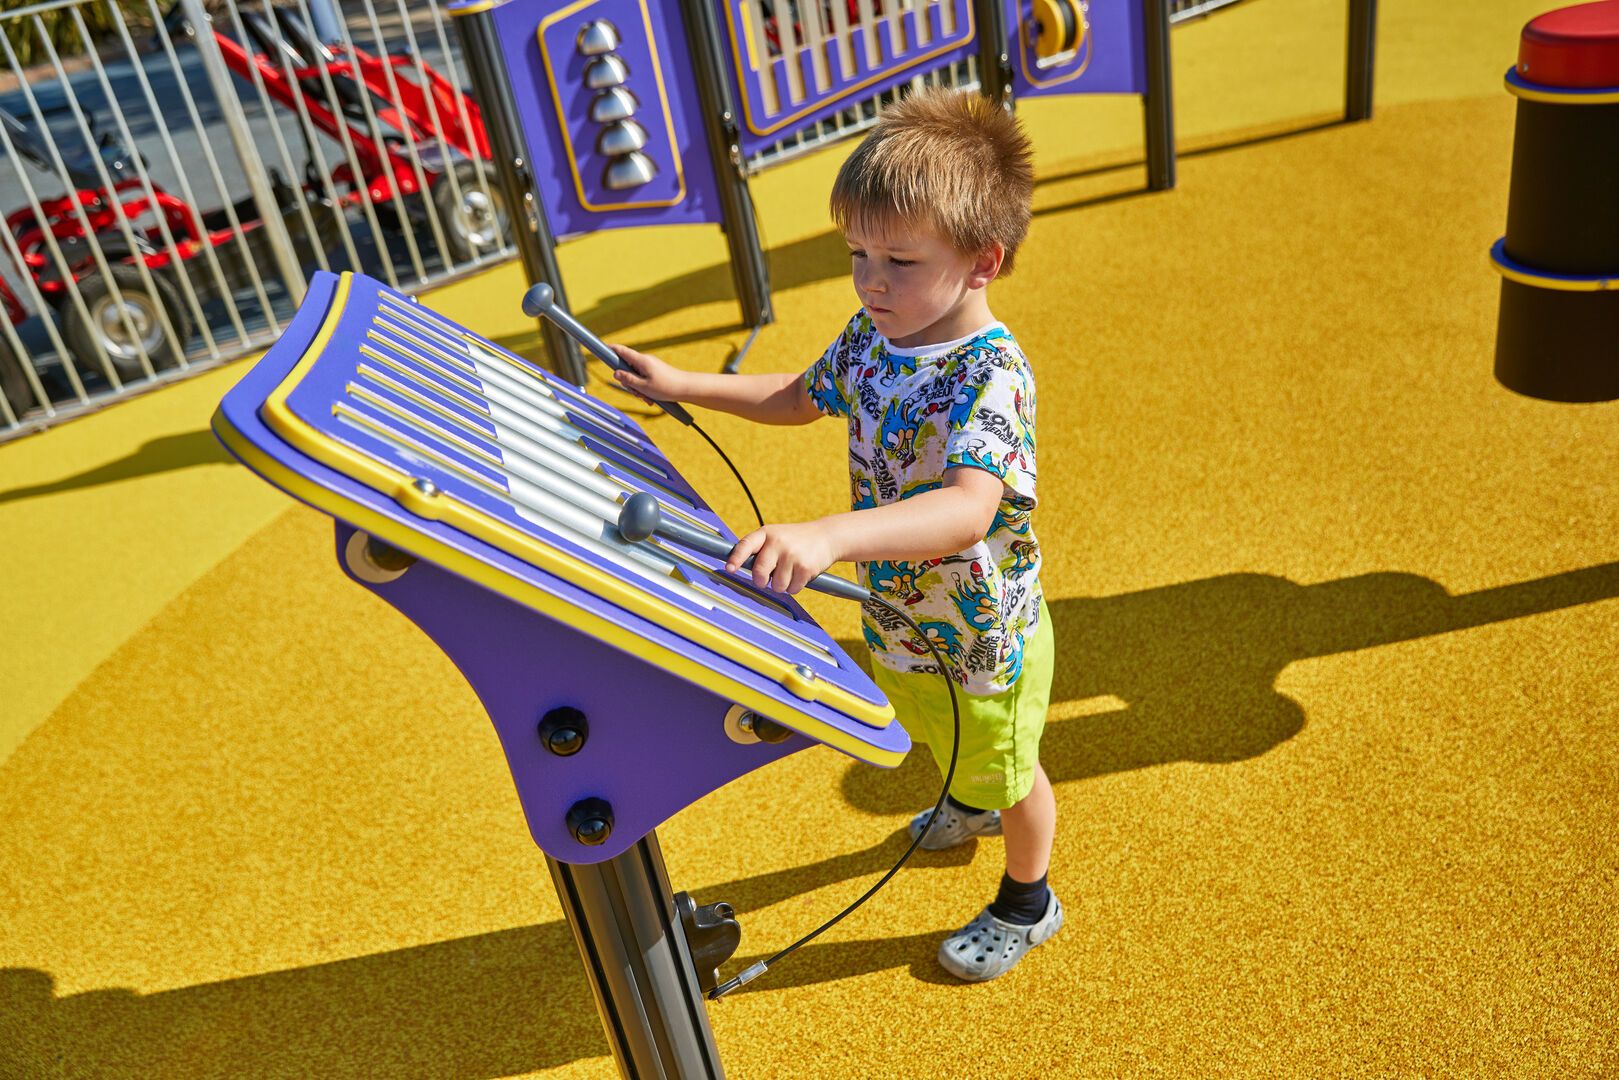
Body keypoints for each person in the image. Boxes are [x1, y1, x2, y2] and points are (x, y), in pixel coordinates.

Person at [607, 87, 1056, 982]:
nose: (869, 281)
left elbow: (968, 509)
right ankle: (964, 798)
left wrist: (827, 535)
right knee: (936, 726)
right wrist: (684, 384)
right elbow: (802, 395)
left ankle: (1026, 899)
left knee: (1014, 770)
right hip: (901, 612)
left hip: (981, 629)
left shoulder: (989, 376)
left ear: (981, 263)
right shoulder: (878, 334)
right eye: (856, 254)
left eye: (897, 259)